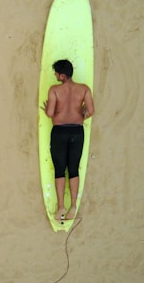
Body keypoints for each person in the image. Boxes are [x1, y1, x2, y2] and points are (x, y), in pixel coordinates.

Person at [43, 59, 95, 221]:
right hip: (77, 132)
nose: (55, 75)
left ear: (62, 76)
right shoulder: (84, 89)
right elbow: (91, 111)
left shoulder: (54, 90)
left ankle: (60, 208)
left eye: (56, 73)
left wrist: (46, 110)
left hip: (59, 132)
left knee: (60, 169)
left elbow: (50, 113)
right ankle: (73, 206)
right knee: (73, 169)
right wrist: (82, 114)